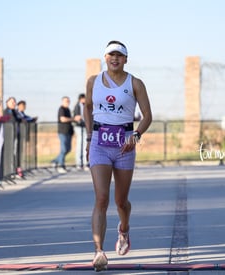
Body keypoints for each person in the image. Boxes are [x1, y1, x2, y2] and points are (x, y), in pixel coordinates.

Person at [84, 40, 152, 271]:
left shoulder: (136, 84)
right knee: (101, 198)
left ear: (125, 59)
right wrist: (88, 136)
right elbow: (87, 107)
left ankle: (124, 229)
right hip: (100, 144)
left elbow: (147, 116)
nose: (115, 58)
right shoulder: (93, 81)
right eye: (111, 55)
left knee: (120, 201)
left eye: (119, 56)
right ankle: (99, 252)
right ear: (105, 58)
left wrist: (135, 136)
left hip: (124, 145)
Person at [52, 96, 74, 174]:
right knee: (63, 149)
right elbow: (62, 119)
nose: (67, 102)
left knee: (68, 149)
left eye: (68, 101)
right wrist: (73, 119)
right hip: (62, 132)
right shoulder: (61, 109)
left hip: (69, 132)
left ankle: (55, 161)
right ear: (62, 101)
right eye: (66, 101)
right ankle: (61, 166)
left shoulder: (68, 109)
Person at [73, 93, 88, 170]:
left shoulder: (86, 105)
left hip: (85, 126)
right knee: (79, 145)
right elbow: (76, 116)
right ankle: (79, 163)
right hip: (79, 127)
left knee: (85, 144)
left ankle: (86, 163)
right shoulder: (77, 106)